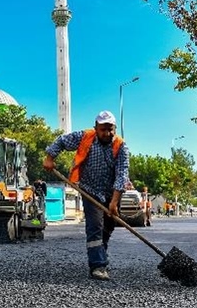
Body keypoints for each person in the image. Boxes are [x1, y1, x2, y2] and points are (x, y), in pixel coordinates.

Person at [43, 110, 130, 281]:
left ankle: (101, 252)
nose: (107, 133)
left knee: (109, 226)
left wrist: (114, 202)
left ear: (115, 128)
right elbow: (61, 141)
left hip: (112, 192)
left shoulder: (121, 146)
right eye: (103, 129)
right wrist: (49, 157)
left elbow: (122, 174)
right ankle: (97, 265)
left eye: (111, 129)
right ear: (96, 128)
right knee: (94, 226)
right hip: (90, 190)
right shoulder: (85, 137)